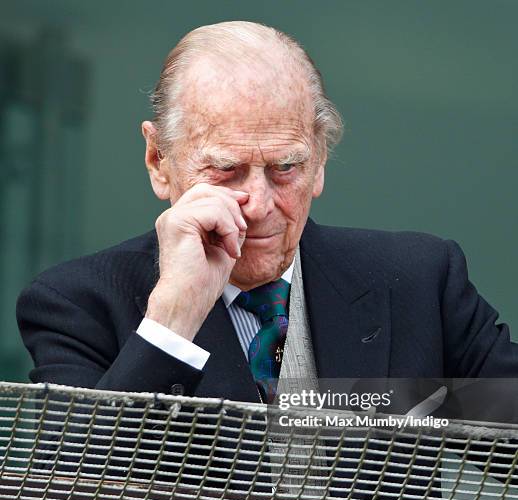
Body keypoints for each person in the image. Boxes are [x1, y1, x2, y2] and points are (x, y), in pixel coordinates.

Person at [16, 21, 518, 407]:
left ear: (319, 161)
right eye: (226, 169)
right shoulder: (77, 305)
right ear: (158, 162)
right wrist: (172, 320)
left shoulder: (419, 282)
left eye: (286, 167)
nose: (257, 204)